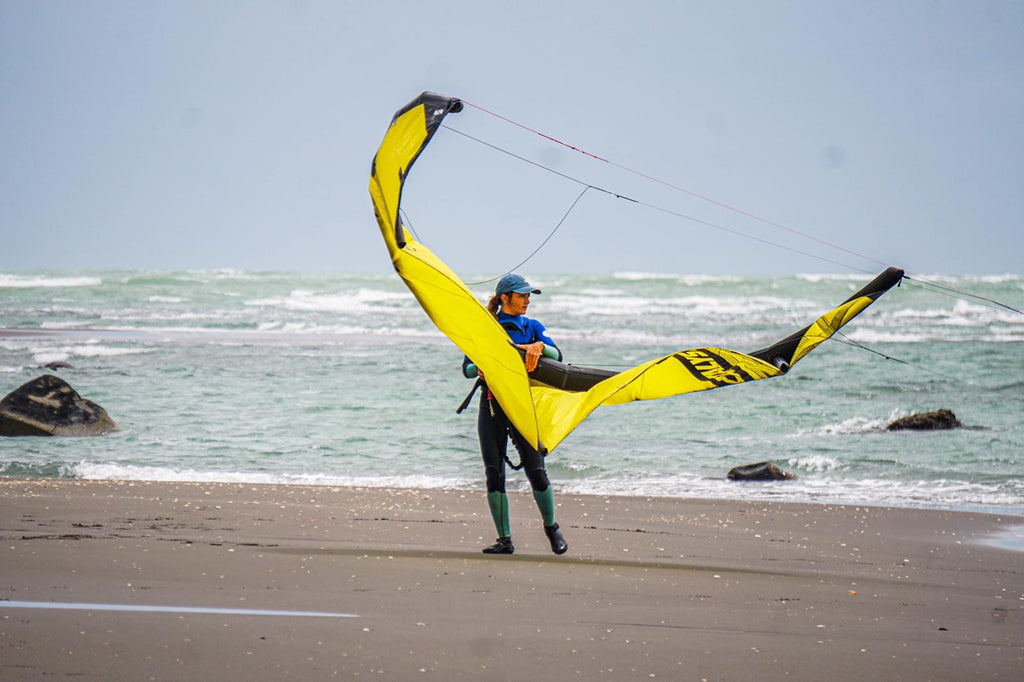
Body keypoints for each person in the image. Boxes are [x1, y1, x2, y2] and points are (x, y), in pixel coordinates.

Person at [462, 273, 568, 555]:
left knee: (536, 470)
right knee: (494, 474)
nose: (527, 300)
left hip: (523, 406)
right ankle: (504, 540)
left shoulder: (533, 327)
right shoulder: (486, 328)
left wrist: (539, 347)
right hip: (493, 405)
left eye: (528, 295)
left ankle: (551, 528)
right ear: (505, 298)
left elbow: (557, 355)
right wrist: (481, 368)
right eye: (522, 295)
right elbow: (467, 368)